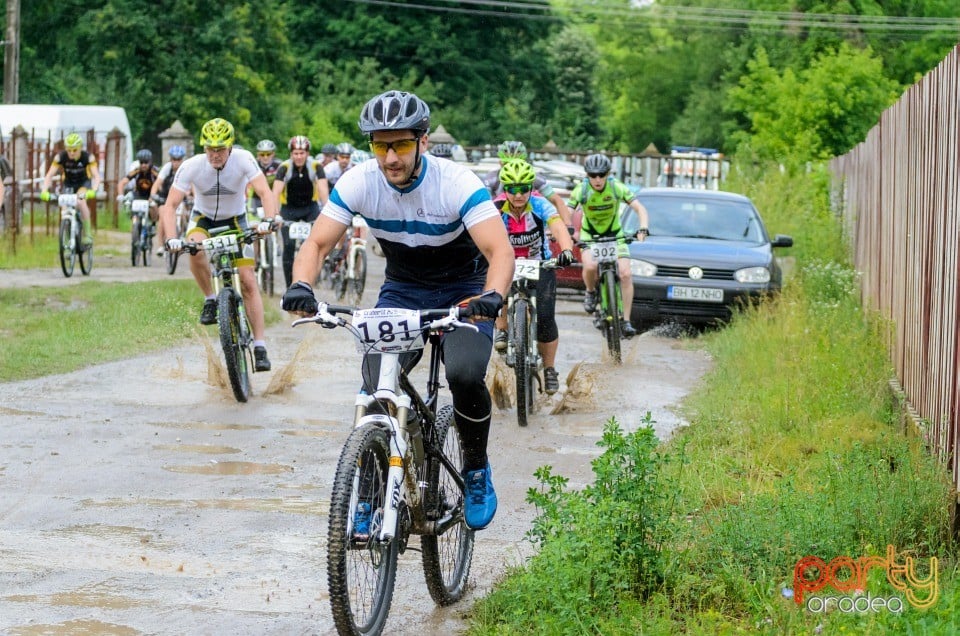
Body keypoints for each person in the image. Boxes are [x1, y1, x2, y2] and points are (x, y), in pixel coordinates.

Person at [281, 90, 514, 531]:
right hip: (404, 289)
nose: (390, 156)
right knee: (376, 385)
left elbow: (499, 251)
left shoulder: (457, 183)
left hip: (464, 290)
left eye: (401, 144)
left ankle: (477, 470)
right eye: (380, 145)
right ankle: (368, 490)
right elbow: (316, 242)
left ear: (422, 141)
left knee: (464, 374)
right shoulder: (359, 181)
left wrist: (493, 297)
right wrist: (302, 284)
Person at [159, 117, 279, 372]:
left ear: (230, 147)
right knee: (193, 247)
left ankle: (259, 346)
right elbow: (169, 206)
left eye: (220, 149)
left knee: (247, 280)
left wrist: (268, 220)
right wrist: (170, 239)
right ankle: (210, 298)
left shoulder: (244, 159)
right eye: (210, 149)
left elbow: (265, 193)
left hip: (236, 220)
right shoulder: (191, 166)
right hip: (203, 220)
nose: (215, 154)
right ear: (204, 148)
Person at [493, 160, 575, 395]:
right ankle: (502, 328)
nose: (518, 195)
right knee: (495, 290)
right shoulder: (496, 208)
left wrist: (566, 250)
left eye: (523, 189)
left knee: (547, 318)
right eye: (512, 189)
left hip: (541, 264)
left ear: (531, 188)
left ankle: (549, 369)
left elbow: (558, 227)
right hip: (507, 263)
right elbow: (482, 234)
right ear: (504, 189)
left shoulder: (540, 205)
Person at [567, 153, 649, 338]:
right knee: (590, 266)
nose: (597, 179)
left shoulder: (616, 187)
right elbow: (568, 212)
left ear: (608, 174)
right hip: (590, 236)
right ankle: (590, 292)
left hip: (615, 235)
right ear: (587, 175)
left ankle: (626, 320)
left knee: (626, 274)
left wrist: (643, 228)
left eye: (602, 175)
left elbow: (639, 208)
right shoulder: (581, 190)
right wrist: (568, 231)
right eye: (593, 175)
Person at [272, 135, 327, 289]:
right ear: (291, 154)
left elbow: (323, 190)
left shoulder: (316, 166)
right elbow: (275, 192)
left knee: (311, 247)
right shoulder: (284, 167)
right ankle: (290, 286)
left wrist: (327, 211)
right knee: (288, 247)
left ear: (308, 153)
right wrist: (275, 214)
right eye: (295, 153)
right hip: (289, 210)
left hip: (310, 208)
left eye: (302, 153)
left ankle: (307, 283)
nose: (299, 156)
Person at [482, 139, 574, 228]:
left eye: (518, 164)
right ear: (500, 163)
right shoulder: (491, 179)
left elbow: (557, 201)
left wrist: (568, 226)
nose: (513, 169)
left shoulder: (534, 177)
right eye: (507, 164)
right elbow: (485, 208)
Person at [40, 133, 102, 246]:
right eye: (69, 150)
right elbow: (49, 175)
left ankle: (87, 234)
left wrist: (94, 189)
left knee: (81, 201)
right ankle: (67, 240)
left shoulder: (88, 157)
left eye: (75, 150)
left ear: (80, 148)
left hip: (83, 184)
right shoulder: (60, 157)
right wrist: (44, 190)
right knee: (64, 208)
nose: (72, 153)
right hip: (68, 184)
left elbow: (96, 176)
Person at [151, 145, 188, 255]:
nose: (176, 162)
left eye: (179, 159)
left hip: (180, 198)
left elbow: (193, 185)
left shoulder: (186, 168)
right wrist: (153, 195)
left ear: (182, 159)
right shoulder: (167, 168)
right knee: (163, 214)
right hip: (166, 198)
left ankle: (182, 234)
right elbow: (157, 183)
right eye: (174, 159)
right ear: (170, 159)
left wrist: (193, 196)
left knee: (185, 212)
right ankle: (161, 246)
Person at [117, 149, 160, 240]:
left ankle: (153, 225)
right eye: (141, 162)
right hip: (138, 194)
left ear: (150, 162)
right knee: (128, 202)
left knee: (153, 206)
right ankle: (135, 223)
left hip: (151, 195)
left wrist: (158, 195)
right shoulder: (136, 171)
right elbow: (122, 183)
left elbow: (161, 183)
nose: (143, 165)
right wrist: (120, 195)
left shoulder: (155, 171)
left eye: (146, 162)